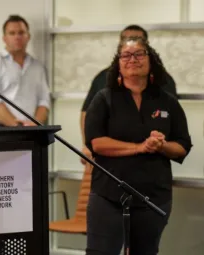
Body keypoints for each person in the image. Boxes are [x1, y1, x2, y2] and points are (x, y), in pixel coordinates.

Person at [84, 36, 192, 255]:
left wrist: (161, 146)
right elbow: (96, 143)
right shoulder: (103, 98)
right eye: (125, 55)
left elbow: (182, 146)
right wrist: (140, 147)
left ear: (151, 61)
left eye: (139, 54)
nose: (132, 59)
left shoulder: (168, 101)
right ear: (118, 64)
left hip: (153, 198)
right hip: (108, 196)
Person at [80, 24, 177, 165]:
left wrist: (160, 144)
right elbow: (86, 114)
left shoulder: (164, 80)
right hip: (108, 161)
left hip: (152, 163)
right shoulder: (103, 77)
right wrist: (87, 145)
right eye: (126, 40)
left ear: (147, 47)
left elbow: (174, 127)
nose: (132, 58)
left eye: (137, 41)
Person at [0, 15, 51, 127]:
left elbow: (44, 101)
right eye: (12, 33)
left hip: (31, 130)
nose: (17, 37)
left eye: (21, 32)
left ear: (28, 36)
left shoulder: (38, 67)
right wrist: (17, 126)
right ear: (4, 38)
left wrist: (34, 125)